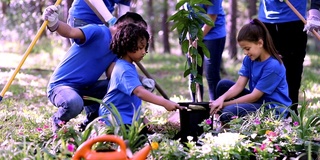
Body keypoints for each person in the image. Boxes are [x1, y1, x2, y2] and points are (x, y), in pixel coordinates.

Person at [42, 5, 154, 133]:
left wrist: (141, 81)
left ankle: (92, 122)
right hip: (62, 87)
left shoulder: (117, 49)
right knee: (74, 103)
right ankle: (58, 121)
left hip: (86, 89)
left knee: (119, 89)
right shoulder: (98, 31)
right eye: (137, 33)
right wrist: (54, 23)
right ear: (124, 27)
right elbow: (70, 32)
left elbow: (115, 74)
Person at [99, 23, 182, 127]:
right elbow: (140, 92)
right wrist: (164, 102)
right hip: (114, 119)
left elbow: (131, 101)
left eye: (145, 48)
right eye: (140, 48)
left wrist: (142, 119)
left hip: (124, 117)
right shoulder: (124, 70)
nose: (143, 52)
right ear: (127, 45)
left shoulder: (127, 66)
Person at [209, 19, 292, 123]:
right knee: (223, 85)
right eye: (243, 49)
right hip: (259, 102)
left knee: (228, 111)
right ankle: (224, 117)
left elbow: (254, 96)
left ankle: (227, 123)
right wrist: (221, 99)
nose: (245, 52)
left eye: (247, 48)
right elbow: (239, 85)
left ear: (260, 43)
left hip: (271, 109)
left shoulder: (273, 66)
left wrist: (224, 104)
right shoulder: (249, 59)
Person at [258, 0, 307, 115]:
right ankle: (267, 117)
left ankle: (290, 117)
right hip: (266, 21)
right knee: (266, 73)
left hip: (294, 19)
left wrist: (315, 11)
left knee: (292, 74)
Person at [187, 0, 226, 102]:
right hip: (192, 34)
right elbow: (185, 14)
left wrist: (197, 39)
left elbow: (211, 18)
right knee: (194, 73)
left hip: (214, 34)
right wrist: (189, 38)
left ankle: (215, 108)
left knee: (211, 74)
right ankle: (195, 105)